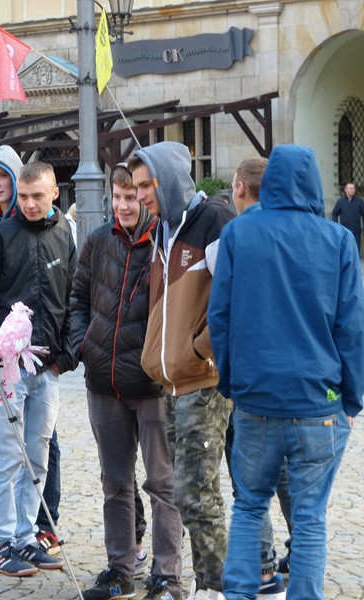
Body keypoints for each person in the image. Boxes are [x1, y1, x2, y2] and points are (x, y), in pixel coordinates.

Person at [209, 144, 364, 600]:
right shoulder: (337, 239)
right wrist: (351, 398)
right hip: (318, 401)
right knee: (309, 517)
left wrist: (231, 382)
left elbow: (219, 318)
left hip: (256, 398)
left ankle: (240, 594)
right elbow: (353, 328)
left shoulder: (239, 233)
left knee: (249, 506)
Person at [71, 163, 184, 600]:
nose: (123, 206)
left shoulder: (166, 242)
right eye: (117, 198)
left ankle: (167, 575)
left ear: (147, 197)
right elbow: (78, 297)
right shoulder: (98, 240)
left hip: (153, 385)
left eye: (131, 197)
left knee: (162, 484)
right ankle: (120, 568)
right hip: (105, 383)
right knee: (115, 483)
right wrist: (84, 344)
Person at [129, 141, 234, 600]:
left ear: (167, 180)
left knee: (196, 492)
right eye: (135, 187)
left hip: (203, 382)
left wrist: (200, 349)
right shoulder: (163, 229)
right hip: (172, 382)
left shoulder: (214, 221)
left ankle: (219, 587)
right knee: (188, 491)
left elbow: (234, 296)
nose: (140, 196)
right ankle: (211, 581)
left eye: (146, 185)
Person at [0, 161, 76, 577]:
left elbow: (72, 299)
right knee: (7, 456)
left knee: (38, 455)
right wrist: (0, 350)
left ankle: (26, 536)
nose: (29, 204)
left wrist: (66, 356)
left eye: (37, 196)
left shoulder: (64, 234)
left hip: (48, 368)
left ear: (54, 194)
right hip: (7, 369)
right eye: (24, 196)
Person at [226, 157, 287, 599]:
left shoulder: (238, 235)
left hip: (252, 379)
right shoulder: (302, 233)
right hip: (296, 381)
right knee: (286, 476)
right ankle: (300, 559)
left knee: (250, 484)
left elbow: (223, 315)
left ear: (240, 188)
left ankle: (263, 570)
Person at [331, 182, 364, 253]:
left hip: (356, 230)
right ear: (345, 190)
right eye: (350, 188)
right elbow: (334, 214)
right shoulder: (340, 201)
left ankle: (356, 260)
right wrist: (336, 227)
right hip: (344, 230)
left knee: (356, 250)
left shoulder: (359, 201)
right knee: (346, 250)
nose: (352, 190)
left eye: (353, 188)